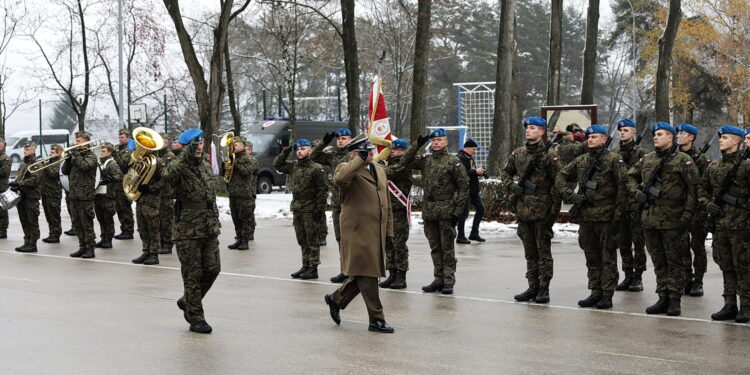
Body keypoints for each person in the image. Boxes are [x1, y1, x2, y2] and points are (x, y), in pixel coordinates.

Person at [324, 135, 394, 333]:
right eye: (365, 151)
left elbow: (385, 202)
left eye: (371, 150)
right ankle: (376, 319)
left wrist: (388, 232)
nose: (371, 153)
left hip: (376, 230)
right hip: (358, 230)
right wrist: (358, 160)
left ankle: (336, 299)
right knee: (369, 274)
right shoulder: (347, 169)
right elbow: (339, 180)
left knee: (364, 272)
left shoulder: (379, 169)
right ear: (354, 153)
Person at [627, 122, 698, 316]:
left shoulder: (683, 161)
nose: (655, 137)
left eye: (660, 134)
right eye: (654, 135)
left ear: (671, 137)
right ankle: (662, 297)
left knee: (674, 261)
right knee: (659, 261)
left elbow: (693, 191)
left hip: (673, 220)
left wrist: (686, 216)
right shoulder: (647, 159)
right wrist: (637, 192)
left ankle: (675, 299)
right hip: (650, 218)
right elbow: (630, 176)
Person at [555, 125, 626, 309]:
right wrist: (571, 195)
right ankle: (595, 291)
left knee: (607, 257)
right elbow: (561, 176)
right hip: (586, 217)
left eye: (594, 136)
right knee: (591, 256)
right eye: (589, 137)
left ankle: (607, 294)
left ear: (604, 139)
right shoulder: (581, 160)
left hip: (606, 217)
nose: (590, 139)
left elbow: (622, 189)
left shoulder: (613, 160)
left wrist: (617, 217)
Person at [162, 129, 221, 334]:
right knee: (192, 274)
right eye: (193, 145)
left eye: (200, 143)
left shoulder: (205, 165)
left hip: (209, 226)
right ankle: (195, 317)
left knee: (213, 269)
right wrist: (185, 155)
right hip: (188, 229)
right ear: (186, 147)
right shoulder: (177, 166)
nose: (198, 147)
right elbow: (167, 176)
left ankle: (187, 300)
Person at [500, 117, 561, 303]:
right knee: (530, 252)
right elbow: (505, 172)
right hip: (523, 209)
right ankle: (532, 286)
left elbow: (559, 182)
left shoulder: (550, 155)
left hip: (543, 210)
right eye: (527, 127)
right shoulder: (518, 153)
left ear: (541, 132)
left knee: (543, 252)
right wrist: (511, 186)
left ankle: (544, 288)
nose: (528, 130)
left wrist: (553, 210)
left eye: (533, 128)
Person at [402, 128, 469, 295]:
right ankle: (438, 278)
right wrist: (417, 145)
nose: (436, 143)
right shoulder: (427, 160)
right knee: (434, 247)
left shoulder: (453, 162)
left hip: (446, 211)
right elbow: (405, 161)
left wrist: (457, 211)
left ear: (446, 142)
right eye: (433, 141)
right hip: (430, 211)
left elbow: (463, 187)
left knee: (447, 248)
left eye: (439, 140)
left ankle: (448, 280)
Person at [700, 125, 750, 323]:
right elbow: (702, 191)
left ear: (737, 141)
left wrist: (740, 204)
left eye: (726, 138)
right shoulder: (714, 167)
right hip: (721, 225)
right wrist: (708, 205)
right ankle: (730, 304)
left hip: (742, 226)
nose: (721, 140)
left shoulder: (746, 166)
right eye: (721, 138)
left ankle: (746, 305)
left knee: (744, 266)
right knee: (726, 266)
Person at [274, 138, 328, 279]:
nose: (299, 151)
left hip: (311, 208)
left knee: (312, 240)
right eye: (298, 149)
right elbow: (278, 164)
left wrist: (319, 209)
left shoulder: (316, 168)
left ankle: (313, 268)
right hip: (298, 207)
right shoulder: (294, 166)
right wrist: (286, 152)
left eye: (303, 149)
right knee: (302, 239)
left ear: (310, 150)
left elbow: (323, 189)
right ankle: (305, 266)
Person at [311, 128, 354, 283]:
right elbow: (314, 156)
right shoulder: (333, 155)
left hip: (352, 203)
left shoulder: (354, 155)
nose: (340, 141)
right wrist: (323, 142)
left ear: (350, 139)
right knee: (340, 239)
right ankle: (345, 270)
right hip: (337, 204)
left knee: (353, 239)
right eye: (338, 139)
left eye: (344, 138)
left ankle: (356, 270)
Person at [611, 119, 647, 292]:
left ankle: (638, 277)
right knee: (623, 243)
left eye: (626, 130)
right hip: (619, 204)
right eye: (621, 130)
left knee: (638, 243)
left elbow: (643, 177)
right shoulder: (615, 152)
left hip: (634, 204)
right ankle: (627, 275)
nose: (622, 133)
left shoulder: (640, 152)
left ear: (633, 133)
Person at [675, 123, 711, 297]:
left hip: (697, 210)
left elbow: (704, 185)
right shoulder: (673, 156)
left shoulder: (701, 158)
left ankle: (698, 281)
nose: (678, 135)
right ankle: (686, 278)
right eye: (677, 133)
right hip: (679, 209)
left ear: (691, 137)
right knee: (681, 246)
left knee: (697, 246)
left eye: (682, 133)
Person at [378, 138, 412, 289]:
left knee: (399, 244)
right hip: (387, 209)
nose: (393, 152)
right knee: (388, 244)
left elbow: (388, 173)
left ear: (404, 151)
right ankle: (391, 273)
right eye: (393, 149)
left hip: (399, 210)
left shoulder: (403, 165)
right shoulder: (388, 163)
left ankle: (401, 275)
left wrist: (376, 162)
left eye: (398, 150)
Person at [63, 131, 99, 259]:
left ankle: (90, 248)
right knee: (77, 223)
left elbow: (85, 166)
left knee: (86, 223)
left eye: (78, 141)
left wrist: (76, 155)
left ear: (86, 142)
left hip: (85, 195)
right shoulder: (75, 157)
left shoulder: (91, 156)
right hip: (74, 195)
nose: (75, 143)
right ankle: (82, 246)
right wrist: (67, 160)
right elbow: (64, 171)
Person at [222, 135, 259, 250]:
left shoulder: (249, 159)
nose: (232, 146)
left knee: (245, 218)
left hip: (245, 194)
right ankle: (238, 238)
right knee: (235, 218)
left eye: (235, 145)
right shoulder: (232, 158)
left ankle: (245, 241)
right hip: (233, 193)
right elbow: (224, 175)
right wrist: (225, 166)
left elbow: (247, 172)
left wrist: (234, 163)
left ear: (243, 147)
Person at [131, 139, 164, 266]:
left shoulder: (158, 162)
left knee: (153, 228)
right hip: (140, 199)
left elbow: (165, 180)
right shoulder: (140, 161)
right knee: (142, 228)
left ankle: (154, 254)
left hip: (152, 200)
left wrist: (150, 188)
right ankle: (146, 251)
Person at [11, 141, 41, 253]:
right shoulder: (23, 163)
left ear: (33, 150)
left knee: (32, 221)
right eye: (24, 149)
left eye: (27, 149)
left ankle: (33, 244)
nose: (25, 151)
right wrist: (15, 184)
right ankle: (27, 242)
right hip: (22, 196)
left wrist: (19, 184)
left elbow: (35, 180)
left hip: (31, 197)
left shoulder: (36, 164)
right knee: (24, 221)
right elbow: (19, 178)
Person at [456, 138, 486, 244]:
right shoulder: (460, 158)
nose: (475, 151)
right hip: (465, 190)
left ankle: (474, 233)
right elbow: (461, 174)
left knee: (481, 209)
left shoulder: (469, 157)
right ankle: (460, 236)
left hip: (473, 191)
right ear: (467, 148)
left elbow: (471, 171)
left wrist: (479, 172)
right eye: (473, 149)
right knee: (463, 214)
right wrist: (475, 171)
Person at [94, 142, 123, 249]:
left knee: (107, 219)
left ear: (109, 152)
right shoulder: (101, 163)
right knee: (101, 218)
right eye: (100, 151)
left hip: (108, 196)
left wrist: (109, 179)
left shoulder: (112, 163)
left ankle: (108, 239)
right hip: (99, 195)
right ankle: (103, 238)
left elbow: (119, 176)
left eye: (103, 151)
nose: (101, 153)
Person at [113, 128, 135, 240]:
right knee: (119, 207)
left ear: (128, 138)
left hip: (125, 181)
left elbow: (123, 165)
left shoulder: (129, 150)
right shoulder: (117, 148)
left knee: (125, 207)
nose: (120, 139)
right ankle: (124, 229)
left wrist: (114, 154)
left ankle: (129, 230)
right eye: (119, 137)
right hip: (116, 182)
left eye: (122, 137)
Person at [158, 133, 176, 255]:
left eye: (162, 141)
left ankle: (168, 244)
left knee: (166, 220)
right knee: (157, 220)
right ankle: (160, 243)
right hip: (156, 193)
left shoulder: (169, 156)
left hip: (166, 192)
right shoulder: (154, 154)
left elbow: (168, 175)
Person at [41, 144, 63, 243]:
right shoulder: (49, 162)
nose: (50, 154)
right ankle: (51, 233)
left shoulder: (59, 162)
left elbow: (53, 174)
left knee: (54, 215)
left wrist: (45, 166)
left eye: (53, 152)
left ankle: (56, 234)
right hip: (46, 192)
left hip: (54, 193)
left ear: (58, 153)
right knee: (48, 215)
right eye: (50, 152)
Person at [0, 137, 10, 239]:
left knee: (2, 210)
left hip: (2, 188)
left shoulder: (5, 158)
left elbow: (4, 172)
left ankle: (3, 230)